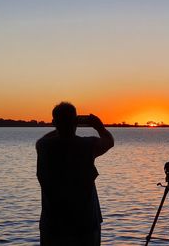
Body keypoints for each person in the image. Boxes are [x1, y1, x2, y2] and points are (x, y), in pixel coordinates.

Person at [36, 102, 114, 246]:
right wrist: (98, 126)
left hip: (53, 225)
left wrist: (62, 126)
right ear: (75, 121)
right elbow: (109, 141)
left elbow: (44, 139)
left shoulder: (43, 146)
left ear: (54, 122)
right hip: (85, 225)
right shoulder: (87, 145)